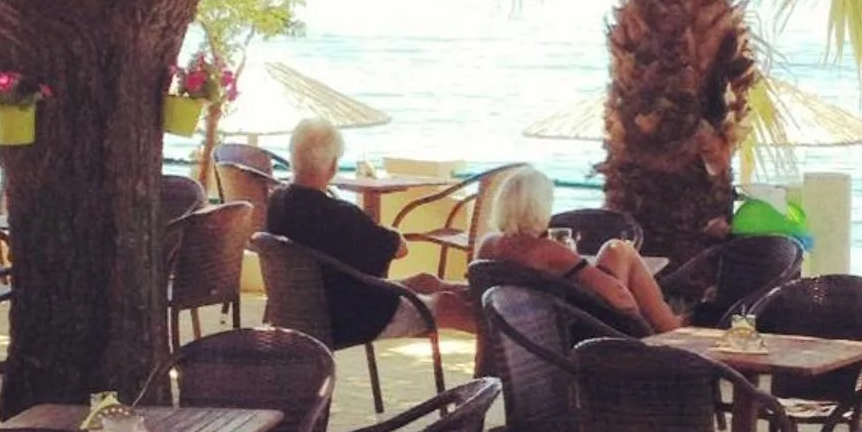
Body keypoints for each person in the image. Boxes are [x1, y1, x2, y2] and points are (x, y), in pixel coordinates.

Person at [265, 116, 427, 346]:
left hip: (306, 310)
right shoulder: (339, 215)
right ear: (332, 166)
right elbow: (400, 249)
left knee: (426, 282)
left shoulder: (277, 203)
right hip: (352, 319)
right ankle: (492, 367)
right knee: (448, 305)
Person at [473, 164, 681, 333]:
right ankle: (672, 330)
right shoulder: (547, 251)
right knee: (618, 250)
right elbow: (618, 298)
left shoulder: (488, 246)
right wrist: (638, 318)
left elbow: (474, 292)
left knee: (615, 253)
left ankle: (671, 324)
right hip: (583, 332)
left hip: (528, 332)